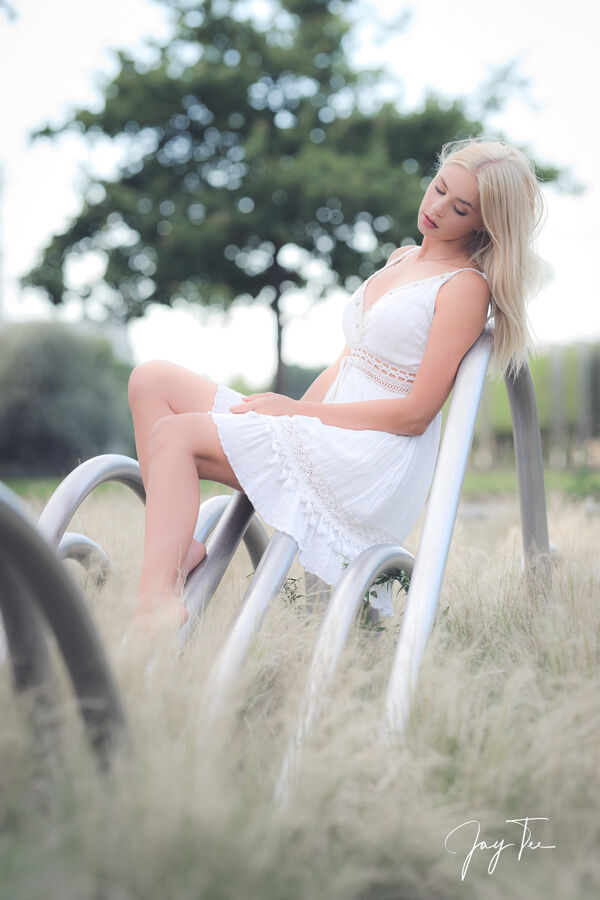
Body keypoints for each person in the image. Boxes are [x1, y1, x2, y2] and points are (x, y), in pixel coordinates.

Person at [127, 138, 545, 618]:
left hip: (367, 456)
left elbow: (416, 414)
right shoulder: (402, 258)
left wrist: (300, 414)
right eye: (438, 188)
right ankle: (177, 552)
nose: (436, 208)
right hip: (323, 429)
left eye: (460, 207)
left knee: (176, 434)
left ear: (484, 223)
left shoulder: (465, 287)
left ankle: (155, 602)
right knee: (151, 381)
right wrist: (284, 418)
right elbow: (347, 364)